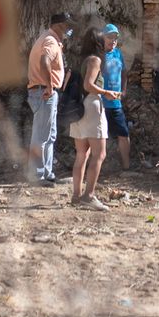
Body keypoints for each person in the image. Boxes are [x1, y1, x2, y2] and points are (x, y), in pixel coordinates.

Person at [68, 27, 119, 210]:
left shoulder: (80, 60)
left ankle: (76, 196)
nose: (109, 41)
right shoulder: (95, 60)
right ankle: (89, 196)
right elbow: (89, 85)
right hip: (91, 106)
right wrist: (107, 92)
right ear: (99, 42)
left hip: (77, 108)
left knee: (82, 154)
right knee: (100, 154)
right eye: (105, 39)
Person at [26, 12, 73, 184]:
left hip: (42, 91)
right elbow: (44, 61)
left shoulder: (48, 39)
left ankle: (47, 173)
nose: (69, 30)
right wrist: (49, 86)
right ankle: (37, 176)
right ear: (59, 25)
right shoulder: (51, 41)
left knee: (49, 135)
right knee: (41, 136)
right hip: (44, 92)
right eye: (67, 26)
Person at [100, 23, 135, 171]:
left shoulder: (118, 53)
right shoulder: (98, 55)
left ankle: (127, 167)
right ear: (103, 38)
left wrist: (124, 90)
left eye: (115, 38)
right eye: (110, 37)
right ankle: (97, 168)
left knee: (123, 133)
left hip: (115, 103)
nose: (113, 40)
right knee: (99, 137)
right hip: (100, 103)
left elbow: (124, 72)